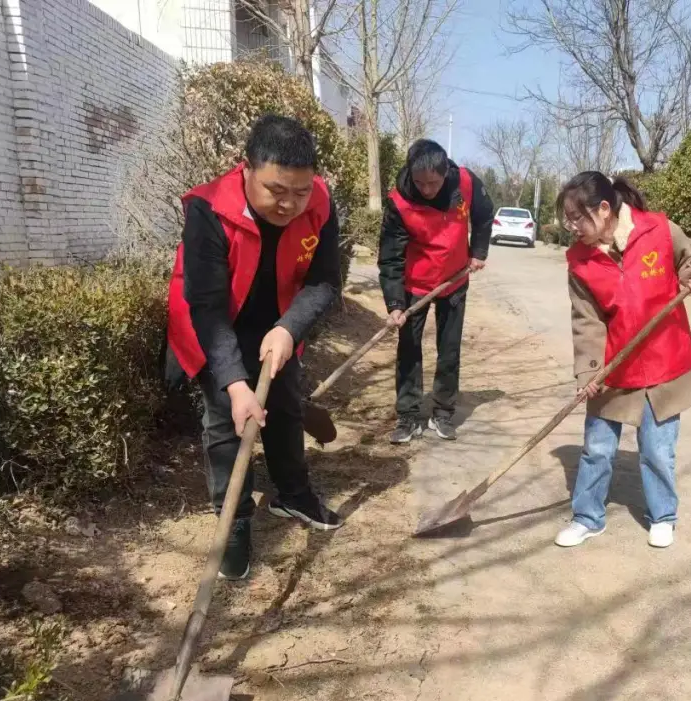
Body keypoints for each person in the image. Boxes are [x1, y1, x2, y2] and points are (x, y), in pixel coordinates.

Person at [165, 114, 344, 581]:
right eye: (276, 191)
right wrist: (234, 383)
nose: (289, 204)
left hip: (278, 323)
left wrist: (289, 328)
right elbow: (205, 306)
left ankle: (293, 494)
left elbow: (326, 280)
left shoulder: (320, 202)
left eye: (299, 192)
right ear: (246, 169)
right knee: (227, 421)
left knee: (284, 406)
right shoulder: (207, 209)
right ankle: (235, 518)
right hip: (216, 322)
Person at [554, 172, 691, 550]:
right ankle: (587, 517)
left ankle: (663, 516)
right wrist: (589, 372)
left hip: (665, 361)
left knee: (658, 449)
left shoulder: (658, 229)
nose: (571, 226)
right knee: (597, 448)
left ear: (605, 209)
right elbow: (586, 320)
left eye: (578, 217)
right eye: (568, 218)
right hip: (614, 366)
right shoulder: (579, 260)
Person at [378, 139, 494, 444]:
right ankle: (408, 415)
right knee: (408, 350)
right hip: (414, 286)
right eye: (419, 183)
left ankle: (442, 412)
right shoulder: (399, 202)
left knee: (449, 349)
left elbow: (484, 213)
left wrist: (478, 251)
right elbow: (390, 257)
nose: (426, 189)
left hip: (454, 280)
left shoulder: (466, 183)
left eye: (433, 182)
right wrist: (394, 303)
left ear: (445, 173)